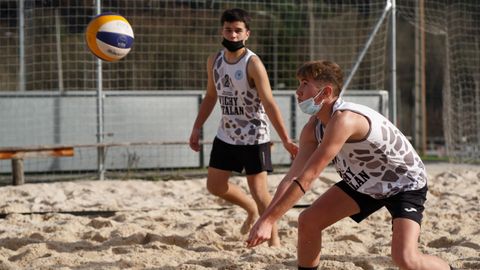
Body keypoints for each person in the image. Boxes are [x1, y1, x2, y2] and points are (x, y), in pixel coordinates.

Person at [246, 60, 453, 270]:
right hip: (365, 182)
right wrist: (266, 218)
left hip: (403, 183)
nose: (297, 91)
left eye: (304, 84)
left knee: (406, 259)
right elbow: (291, 177)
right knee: (308, 221)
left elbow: (307, 178)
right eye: (299, 83)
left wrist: (269, 220)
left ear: (325, 92)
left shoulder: (345, 120)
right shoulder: (313, 128)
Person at [188, 8, 298, 247]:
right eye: (229, 29)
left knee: (260, 193)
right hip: (226, 134)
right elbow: (210, 96)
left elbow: (269, 103)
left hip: (254, 136)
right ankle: (249, 208)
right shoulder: (214, 60)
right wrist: (197, 127)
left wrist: (286, 139)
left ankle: (274, 241)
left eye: (238, 30)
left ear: (247, 34)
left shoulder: (253, 63)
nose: (233, 35)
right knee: (215, 186)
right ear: (222, 30)